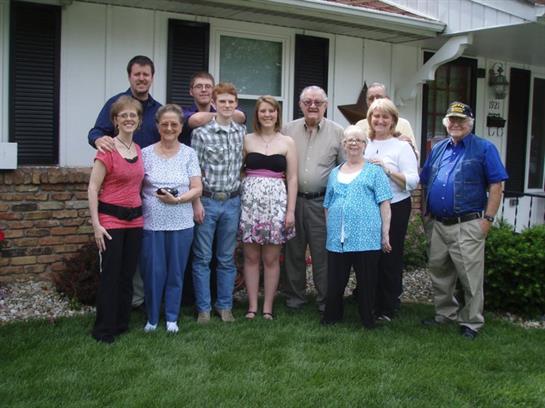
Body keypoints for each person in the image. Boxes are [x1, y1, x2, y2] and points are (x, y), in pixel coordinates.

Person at [420, 101, 508, 340]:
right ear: (446, 123)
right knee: (439, 271)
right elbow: (425, 179)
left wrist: (487, 220)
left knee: (470, 276)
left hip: (467, 224)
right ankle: (445, 314)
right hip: (437, 223)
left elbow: (496, 185)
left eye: (461, 120)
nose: (455, 124)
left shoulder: (484, 149)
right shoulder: (438, 148)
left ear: (470, 123)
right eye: (452, 119)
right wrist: (426, 214)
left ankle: (472, 322)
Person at [88, 55, 162, 309]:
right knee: (115, 257)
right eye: (137, 74)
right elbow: (95, 132)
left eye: (146, 74)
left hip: (146, 186)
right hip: (118, 183)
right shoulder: (117, 104)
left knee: (138, 251)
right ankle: (116, 308)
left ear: (152, 77)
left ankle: (137, 301)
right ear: (129, 76)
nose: (142, 78)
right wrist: (100, 141)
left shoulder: (158, 109)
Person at [322, 126, 392, 328]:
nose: (353, 143)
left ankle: (368, 320)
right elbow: (327, 204)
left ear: (365, 145)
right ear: (343, 144)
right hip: (337, 239)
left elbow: (385, 203)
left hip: (366, 237)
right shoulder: (334, 173)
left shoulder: (375, 171)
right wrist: (331, 230)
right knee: (335, 283)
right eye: (349, 140)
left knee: (367, 283)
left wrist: (385, 234)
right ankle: (331, 318)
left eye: (358, 140)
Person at [140, 104, 202, 333]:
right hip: (152, 222)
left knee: (176, 271)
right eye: (164, 124)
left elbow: (197, 187)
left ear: (180, 127)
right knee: (153, 272)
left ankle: (172, 317)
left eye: (174, 124)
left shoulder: (189, 153)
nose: (169, 128)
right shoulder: (144, 153)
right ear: (157, 126)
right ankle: (152, 318)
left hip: (181, 221)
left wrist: (178, 200)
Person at [87, 95, 145, 344]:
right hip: (110, 220)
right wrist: (96, 225)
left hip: (135, 221)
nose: (129, 119)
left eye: (133, 115)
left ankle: (121, 323)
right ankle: (104, 329)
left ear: (139, 121)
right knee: (110, 275)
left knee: (127, 275)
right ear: (115, 121)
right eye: (124, 116)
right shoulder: (107, 150)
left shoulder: (139, 150)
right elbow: (92, 188)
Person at [282, 86, 344, 312]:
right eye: (307, 101)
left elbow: (344, 170)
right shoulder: (287, 130)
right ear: (300, 105)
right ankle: (294, 298)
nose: (313, 106)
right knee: (293, 252)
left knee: (322, 254)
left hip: (322, 203)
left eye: (318, 102)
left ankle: (325, 300)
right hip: (293, 201)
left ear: (325, 106)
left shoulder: (338, 132)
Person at [238, 96, 297, 320]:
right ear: (257, 114)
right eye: (263, 111)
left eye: (271, 111)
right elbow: (240, 171)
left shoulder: (287, 142)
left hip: (276, 206)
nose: (267, 115)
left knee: (271, 259)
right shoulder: (247, 140)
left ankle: (268, 307)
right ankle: (252, 306)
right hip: (250, 205)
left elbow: (292, 178)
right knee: (251, 257)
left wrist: (290, 211)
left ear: (277, 114)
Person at [191, 82, 245, 323]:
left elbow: (244, 167)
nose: (226, 105)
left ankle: (224, 306)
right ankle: (203, 308)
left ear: (236, 105)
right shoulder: (200, 134)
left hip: (232, 202)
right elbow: (194, 171)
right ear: (213, 103)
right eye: (221, 101)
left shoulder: (242, 133)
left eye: (230, 102)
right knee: (202, 257)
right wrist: (196, 203)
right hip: (208, 200)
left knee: (226, 258)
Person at [364, 98, 419, 321]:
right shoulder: (364, 142)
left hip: (396, 205)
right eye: (376, 116)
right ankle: (368, 300)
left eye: (385, 116)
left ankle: (388, 305)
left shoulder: (401, 147)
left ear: (393, 120)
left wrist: (387, 171)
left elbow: (413, 180)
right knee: (368, 255)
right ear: (370, 119)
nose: (380, 120)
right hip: (367, 207)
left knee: (389, 254)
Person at [180, 72, 245, 146]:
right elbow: (197, 120)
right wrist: (222, 115)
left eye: (208, 86)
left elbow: (241, 117)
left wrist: (220, 113)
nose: (204, 90)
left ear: (213, 91)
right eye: (199, 86)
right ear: (191, 92)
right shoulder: (183, 112)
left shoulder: (223, 107)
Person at [355, 82, 419, 159]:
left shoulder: (403, 124)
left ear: (387, 99)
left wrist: (409, 147)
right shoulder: (359, 126)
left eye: (379, 97)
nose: (375, 101)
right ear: (366, 101)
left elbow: (415, 158)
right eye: (371, 98)